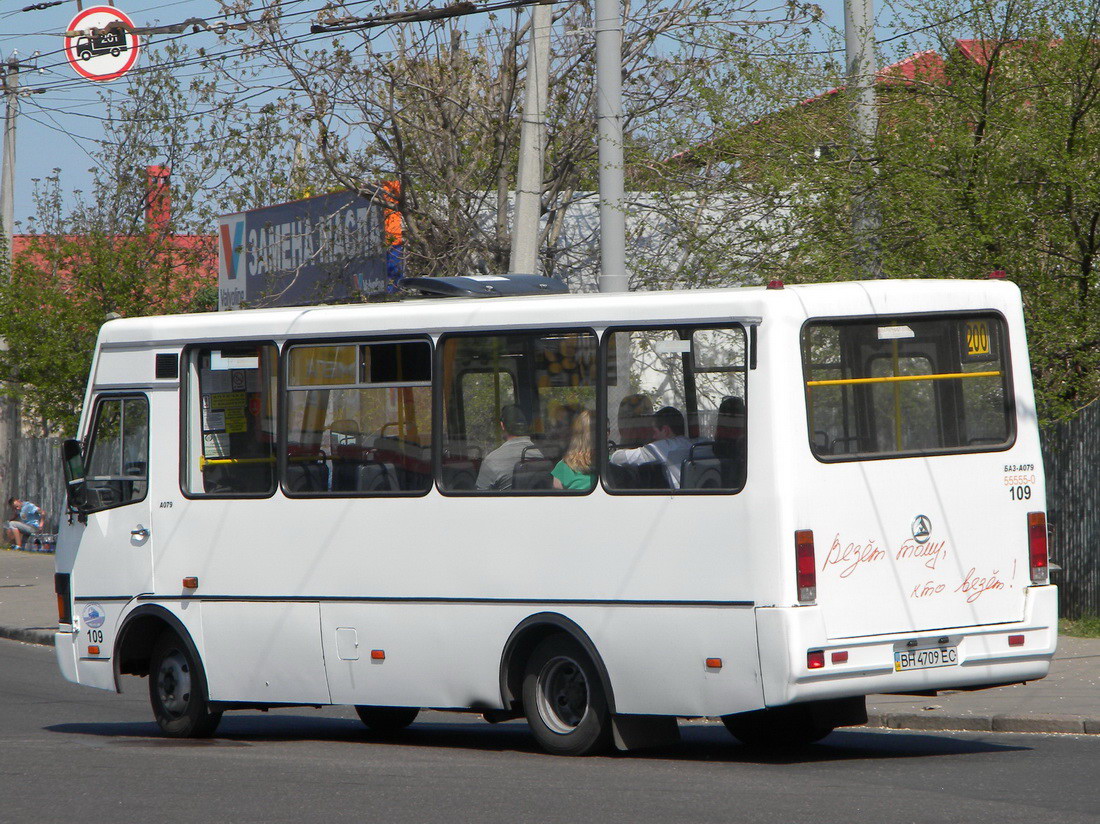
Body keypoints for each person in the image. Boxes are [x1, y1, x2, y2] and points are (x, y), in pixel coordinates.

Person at [609, 406, 695, 489]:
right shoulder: (696, 444)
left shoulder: (664, 447)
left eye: (654, 431)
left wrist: (613, 455)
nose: (653, 436)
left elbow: (622, 458)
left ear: (665, 430)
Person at [475, 405, 543, 491]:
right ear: (526, 426)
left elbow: (480, 496)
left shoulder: (492, 461)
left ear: (502, 425)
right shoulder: (541, 454)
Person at [552, 409, 595, 491]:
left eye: (607, 429)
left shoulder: (612, 462)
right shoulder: (564, 467)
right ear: (582, 434)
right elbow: (557, 501)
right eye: (595, 430)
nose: (606, 433)